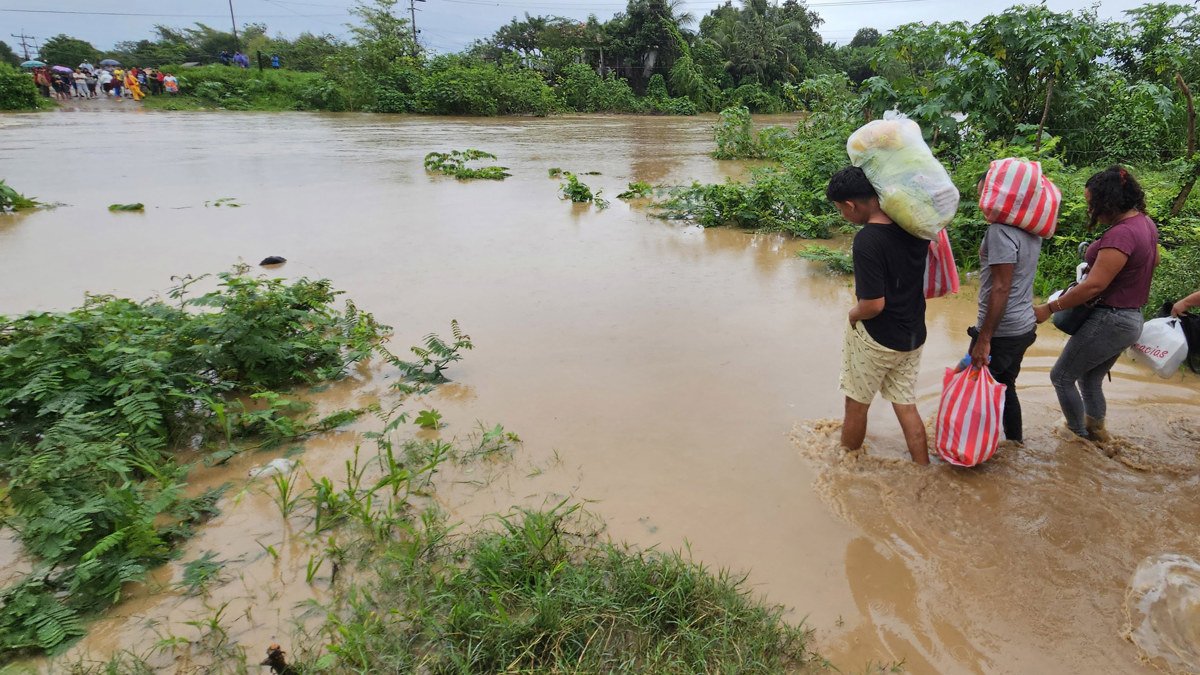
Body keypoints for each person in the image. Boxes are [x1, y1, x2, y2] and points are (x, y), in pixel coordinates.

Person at [1034, 166, 1160, 442]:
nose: (1090, 209)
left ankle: (1078, 440)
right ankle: (1097, 433)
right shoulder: (1145, 224)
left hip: (1111, 319)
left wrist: (1049, 308)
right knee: (1089, 379)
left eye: (1093, 203)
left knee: (1062, 377)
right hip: (1130, 318)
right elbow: (1153, 262)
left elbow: (1094, 285)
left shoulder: (1122, 234)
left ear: (1109, 201)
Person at [827, 166, 931, 464]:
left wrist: (852, 314)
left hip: (878, 338)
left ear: (851, 205)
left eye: (840, 210)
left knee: (856, 404)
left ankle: (846, 465)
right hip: (913, 334)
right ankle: (923, 469)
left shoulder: (867, 241)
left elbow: (873, 304)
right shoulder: (913, 226)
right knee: (906, 405)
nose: (843, 215)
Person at [966, 170, 1043, 444]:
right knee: (1005, 386)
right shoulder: (1032, 232)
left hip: (1002, 331)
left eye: (983, 196)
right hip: (1023, 327)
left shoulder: (1000, 232)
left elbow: (1001, 287)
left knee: (974, 392)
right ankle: (1014, 445)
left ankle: (971, 457)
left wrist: (983, 339)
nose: (981, 204)